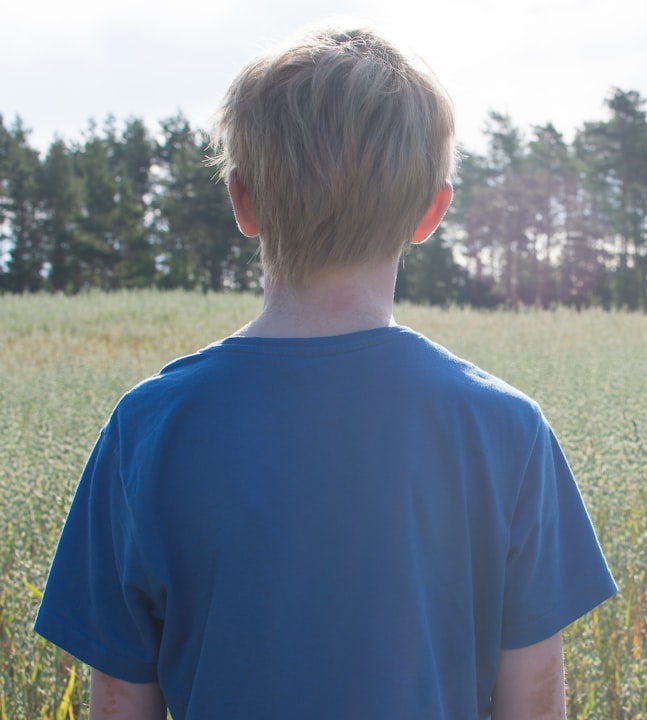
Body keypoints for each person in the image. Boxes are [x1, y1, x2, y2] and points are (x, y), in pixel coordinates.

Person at [34, 25, 616, 720]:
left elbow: (121, 703)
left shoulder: (149, 428)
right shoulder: (506, 429)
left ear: (242, 201)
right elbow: (534, 703)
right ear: (432, 212)